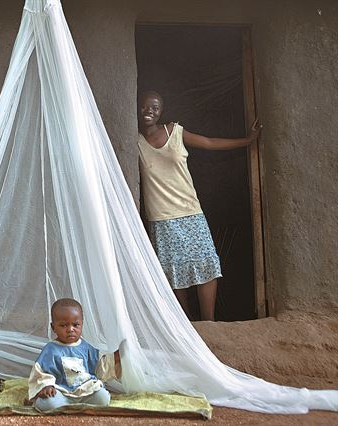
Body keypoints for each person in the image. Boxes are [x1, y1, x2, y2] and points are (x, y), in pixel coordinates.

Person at [137, 90, 261, 321]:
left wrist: (247, 140)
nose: (149, 111)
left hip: (189, 210)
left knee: (206, 263)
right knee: (172, 271)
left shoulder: (174, 131)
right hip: (161, 216)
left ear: (161, 111)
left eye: (154, 107)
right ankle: (186, 323)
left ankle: (208, 323)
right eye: (145, 106)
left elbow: (209, 142)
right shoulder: (135, 141)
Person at [28, 298, 122, 412]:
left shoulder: (85, 347)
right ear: (53, 328)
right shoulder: (51, 350)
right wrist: (46, 386)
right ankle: (65, 404)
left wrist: (116, 357)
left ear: (82, 324)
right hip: (61, 393)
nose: (70, 329)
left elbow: (99, 367)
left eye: (76, 325)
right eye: (63, 325)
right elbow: (41, 372)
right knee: (48, 403)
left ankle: (75, 405)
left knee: (103, 397)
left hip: (84, 390)